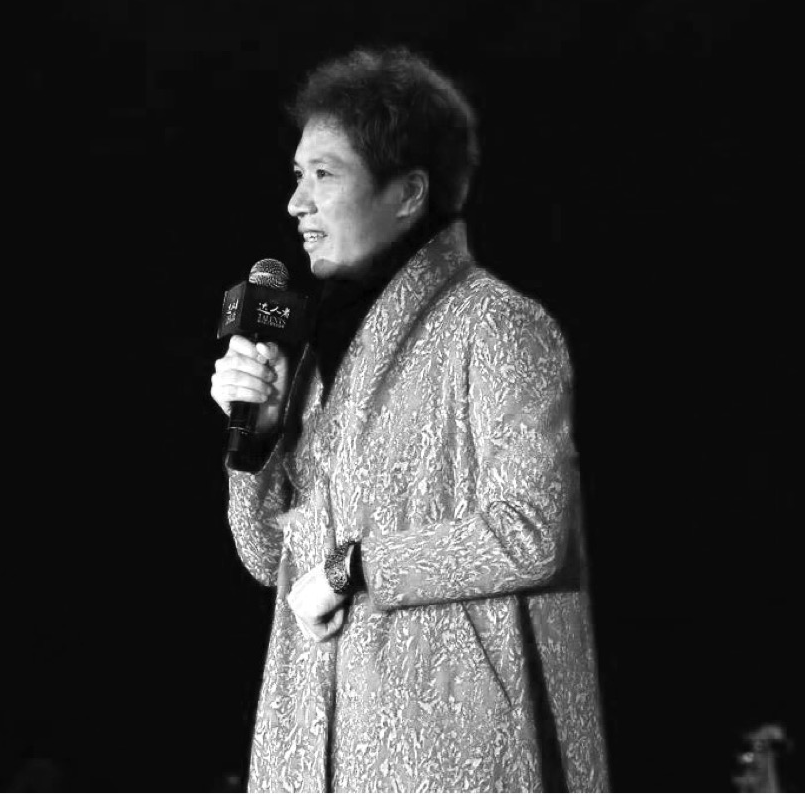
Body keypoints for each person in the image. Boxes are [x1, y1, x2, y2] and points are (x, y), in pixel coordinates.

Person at [209, 45, 609, 792]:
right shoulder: (315, 355)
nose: (296, 203)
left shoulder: (494, 325)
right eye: (297, 175)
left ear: (408, 193)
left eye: (324, 174)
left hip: (444, 758)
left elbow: (530, 532)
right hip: (310, 757)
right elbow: (268, 561)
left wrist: (353, 568)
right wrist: (257, 440)